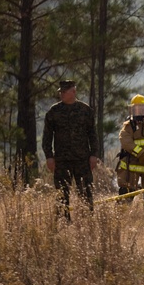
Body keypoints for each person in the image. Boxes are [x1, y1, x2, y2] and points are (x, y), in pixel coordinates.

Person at [41, 80, 101, 220]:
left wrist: (94, 155)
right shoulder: (54, 112)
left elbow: (92, 134)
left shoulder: (85, 111)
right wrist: (49, 156)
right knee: (62, 194)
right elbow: (47, 136)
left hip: (82, 160)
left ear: (73, 92)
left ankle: (87, 222)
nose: (61, 93)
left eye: (64, 91)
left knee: (86, 193)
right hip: (61, 160)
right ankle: (63, 223)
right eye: (60, 91)